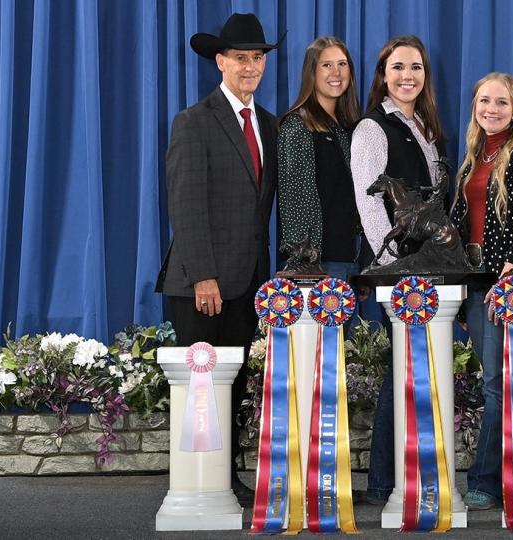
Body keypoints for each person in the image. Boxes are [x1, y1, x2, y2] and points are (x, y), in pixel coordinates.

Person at [155, 13, 281, 503]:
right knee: (202, 386)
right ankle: (197, 483)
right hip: (200, 285)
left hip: (246, 280)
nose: (250, 67)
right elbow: (185, 205)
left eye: (257, 58)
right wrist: (204, 275)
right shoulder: (194, 121)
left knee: (232, 384)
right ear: (220, 62)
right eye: (240, 58)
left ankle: (223, 479)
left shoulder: (268, 125)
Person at [350, 35, 446, 505]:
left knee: (417, 370)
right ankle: (385, 481)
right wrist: (390, 268)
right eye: (398, 67)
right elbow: (369, 208)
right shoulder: (372, 128)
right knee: (401, 371)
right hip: (402, 273)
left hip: (431, 270)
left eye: (416, 67)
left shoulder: (424, 127)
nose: (408, 75)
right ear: (383, 75)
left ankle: (415, 474)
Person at [451, 73, 513, 510]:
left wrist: (511, 275)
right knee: (491, 381)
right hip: (473, 283)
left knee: (495, 384)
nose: (492, 109)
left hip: (502, 285)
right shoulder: (472, 156)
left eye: (502, 103)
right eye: (485, 101)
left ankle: (487, 481)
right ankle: (503, 473)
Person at [277, 36, 364, 295]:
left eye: (342, 64)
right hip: (318, 263)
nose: (336, 73)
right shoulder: (297, 126)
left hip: (350, 257)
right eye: (326, 65)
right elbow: (293, 197)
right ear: (311, 71)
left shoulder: (349, 127)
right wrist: (306, 264)